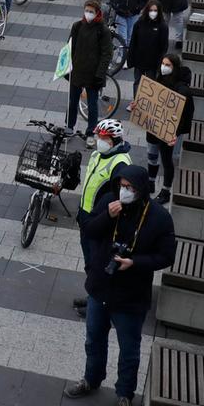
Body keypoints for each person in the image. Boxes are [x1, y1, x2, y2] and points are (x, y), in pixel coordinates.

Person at [65, 163, 176, 404]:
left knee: (129, 351)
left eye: (130, 188)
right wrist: (107, 216)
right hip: (100, 288)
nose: (124, 191)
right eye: (122, 186)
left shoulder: (159, 217)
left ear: (141, 190)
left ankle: (124, 393)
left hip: (131, 296)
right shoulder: (108, 201)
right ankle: (91, 379)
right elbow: (89, 230)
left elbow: (166, 256)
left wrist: (134, 262)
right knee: (94, 340)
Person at [69, 118, 134, 317]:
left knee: (98, 263)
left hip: (101, 222)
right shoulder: (98, 154)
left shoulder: (121, 164)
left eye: (103, 138)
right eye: (98, 136)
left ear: (113, 141)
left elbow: (121, 199)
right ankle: (93, 296)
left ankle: (98, 305)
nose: (98, 140)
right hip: (87, 216)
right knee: (90, 262)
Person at [147, 54, 193, 204]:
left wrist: (176, 132)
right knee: (152, 153)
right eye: (162, 63)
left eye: (167, 65)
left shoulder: (181, 88)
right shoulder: (160, 79)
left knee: (167, 160)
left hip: (169, 131)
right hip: (155, 125)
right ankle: (151, 181)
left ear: (174, 67)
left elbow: (186, 113)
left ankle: (166, 191)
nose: (163, 67)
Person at [67, 0, 114, 136]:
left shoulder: (103, 31)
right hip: (77, 71)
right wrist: (66, 67)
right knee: (72, 101)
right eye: (86, 11)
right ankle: (69, 126)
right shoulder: (77, 26)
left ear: (97, 13)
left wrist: (100, 74)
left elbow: (107, 54)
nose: (88, 14)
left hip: (94, 74)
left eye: (91, 11)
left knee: (92, 105)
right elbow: (69, 48)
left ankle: (91, 132)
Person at [126, 0, 169, 99]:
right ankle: (136, 102)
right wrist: (130, 59)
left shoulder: (162, 26)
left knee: (150, 85)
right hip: (139, 60)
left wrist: (160, 63)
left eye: (155, 10)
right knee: (137, 82)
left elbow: (164, 46)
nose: (153, 13)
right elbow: (133, 42)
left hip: (153, 63)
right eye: (151, 10)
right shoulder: (139, 23)